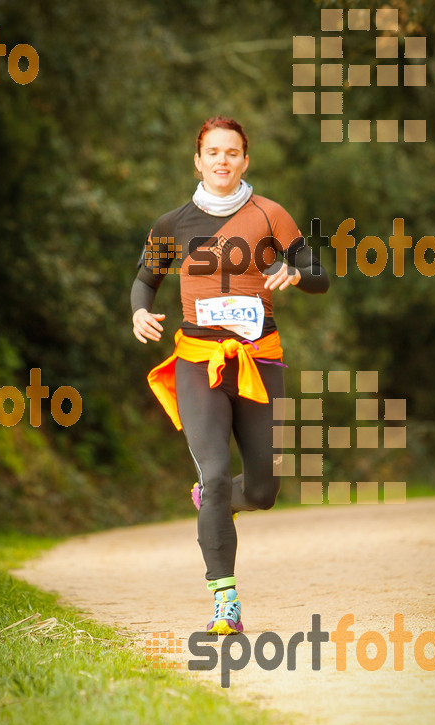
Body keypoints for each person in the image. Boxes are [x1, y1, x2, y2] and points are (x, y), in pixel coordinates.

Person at [131, 116, 329, 635]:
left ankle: (212, 501)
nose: (222, 160)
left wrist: (295, 272)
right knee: (216, 473)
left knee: (263, 489)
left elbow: (319, 275)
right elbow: (144, 279)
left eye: (232, 152)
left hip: (260, 360)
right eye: (212, 152)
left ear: (246, 160)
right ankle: (225, 600)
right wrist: (138, 312)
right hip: (199, 361)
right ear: (198, 161)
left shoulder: (271, 215)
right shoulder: (171, 224)